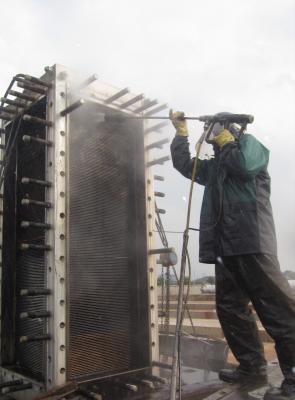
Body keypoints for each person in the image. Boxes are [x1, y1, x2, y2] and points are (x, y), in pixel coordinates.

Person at [169, 110, 295, 400]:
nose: (210, 133)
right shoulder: (215, 167)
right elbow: (184, 165)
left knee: (277, 309)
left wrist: (226, 139)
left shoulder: (251, 146)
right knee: (230, 309)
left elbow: (245, 166)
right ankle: (252, 366)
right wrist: (181, 134)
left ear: (228, 129)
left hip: (252, 240)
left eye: (214, 128)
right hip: (225, 247)